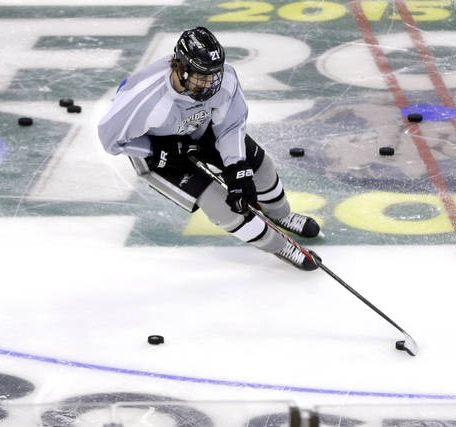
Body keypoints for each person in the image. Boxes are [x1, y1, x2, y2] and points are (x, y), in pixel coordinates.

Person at [97, 27, 320, 270]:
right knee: (222, 208)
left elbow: (231, 124)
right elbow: (110, 140)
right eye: (201, 76)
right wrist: (154, 149)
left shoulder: (224, 80)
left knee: (262, 169)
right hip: (159, 152)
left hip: (199, 130)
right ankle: (280, 246)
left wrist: (237, 168)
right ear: (180, 68)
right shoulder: (144, 98)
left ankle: (281, 215)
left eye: (213, 74)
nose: (210, 82)